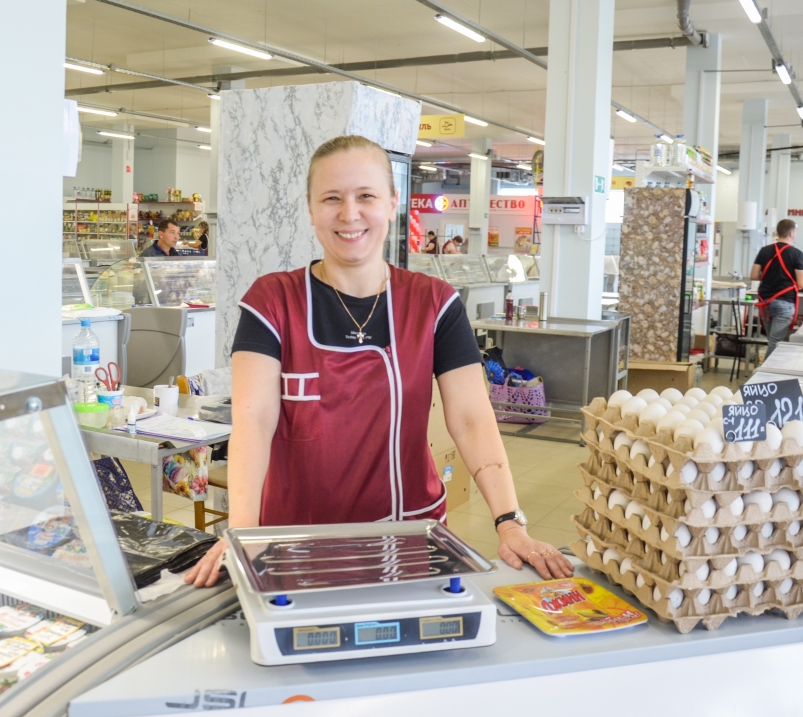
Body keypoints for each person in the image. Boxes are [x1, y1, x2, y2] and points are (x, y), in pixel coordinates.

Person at [185, 134, 573, 587]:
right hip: (292, 538)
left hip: (408, 535)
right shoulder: (273, 301)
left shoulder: (434, 303)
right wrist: (242, 534)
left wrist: (509, 522)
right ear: (311, 210)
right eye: (331, 198)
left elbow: (471, 418)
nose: (349, 214)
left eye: (366, 196)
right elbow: (253, 420)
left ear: (392, 203)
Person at [750, 219, 803, 356]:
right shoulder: (796, 254)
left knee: (772, 340)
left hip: (765, 303)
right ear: (791, 233)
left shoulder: (764, 251)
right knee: (775, 342)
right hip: (785, 303)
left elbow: (753, 275)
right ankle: (766, 375)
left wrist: (770, 277)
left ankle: (767, 373)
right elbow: (802, 283)